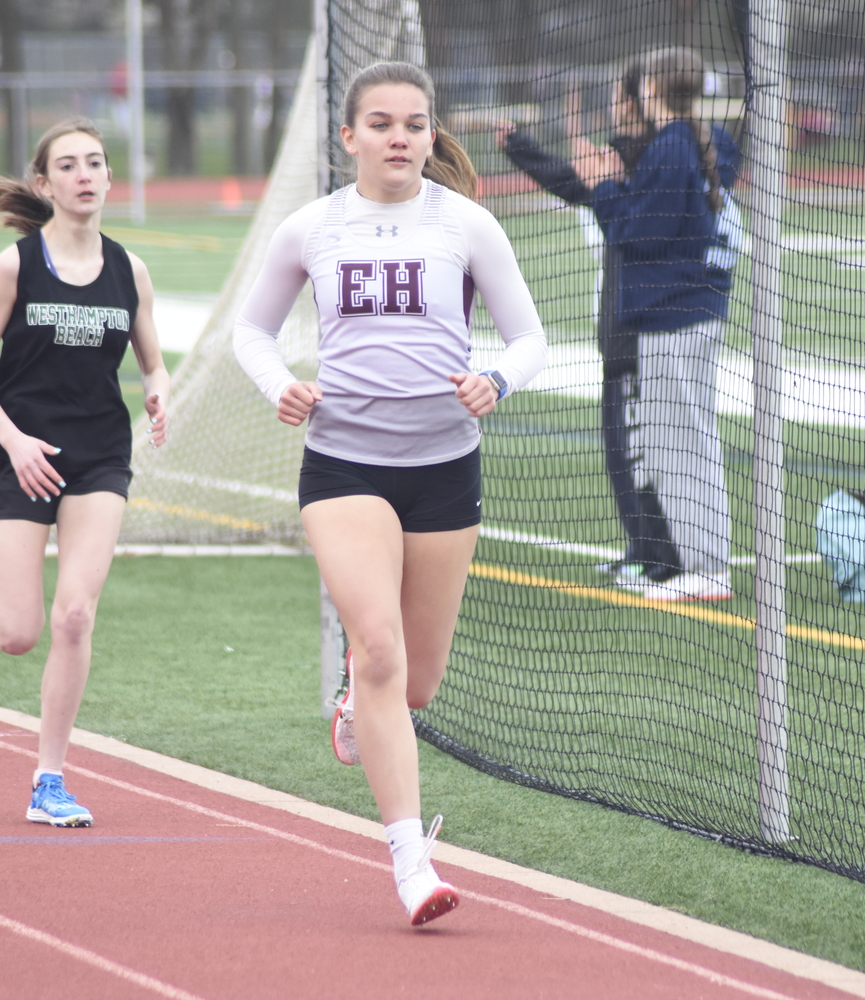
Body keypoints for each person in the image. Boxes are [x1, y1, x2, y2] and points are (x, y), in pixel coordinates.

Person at [233, 62, 547, 924]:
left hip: (446, 467)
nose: (399, 137)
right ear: (349, 137)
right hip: (344, 465)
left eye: (413, 123)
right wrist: (279, 388)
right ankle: (411, 860)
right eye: (380, 123)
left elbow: (528, 339)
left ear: (429, 133)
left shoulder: (469, 225)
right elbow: (251, 329)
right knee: (379, 650)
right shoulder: (313, 227)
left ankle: (358, 693)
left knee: (414, 683)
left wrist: (496, 381)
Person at [0, 118, 170, 827]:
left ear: (109, 179)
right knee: (16, 634)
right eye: (68, 165)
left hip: (100, 456)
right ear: (44, 184)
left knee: (74, 614)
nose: (84, 175)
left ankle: (49, 779)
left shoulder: (127, 269)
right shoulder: (18, 264)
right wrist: (13, 442)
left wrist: (159, 389)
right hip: (23, 454)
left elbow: (152, 360)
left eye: (95, 163)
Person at [573, 47, 745, 602]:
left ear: (652, 88)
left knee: (679, 447)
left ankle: (707, 568)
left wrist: (602, 188)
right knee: (685, 443)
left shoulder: (673, 144)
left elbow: (641, 234)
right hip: (685, 312)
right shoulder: (695, 138)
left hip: (673, 316)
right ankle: (705, 564)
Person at [496, 64, 677, 591]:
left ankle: (662, 559)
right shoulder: (633, 154)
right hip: (620, 336)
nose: (618, 105)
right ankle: (643, 551)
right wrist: (522, 147)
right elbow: (576, 182)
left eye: (625, 97)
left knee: (643, 453)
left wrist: (528, 147)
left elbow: (575, 181)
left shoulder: (648, 156)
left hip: (641, 335)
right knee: (622, 453)